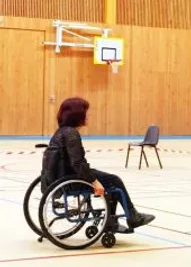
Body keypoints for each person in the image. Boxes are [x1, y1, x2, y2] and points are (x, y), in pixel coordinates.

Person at [43, 97, 155, 231]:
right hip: (73, 179)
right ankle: (131, 216)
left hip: (62, 177)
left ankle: (111, 221)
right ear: (78, 114)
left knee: (108, 179)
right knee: (114, 181)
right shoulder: (72, 134)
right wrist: (94, 181)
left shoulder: (60, 132)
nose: (88, 115)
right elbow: (78, 163)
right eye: (86, 112)